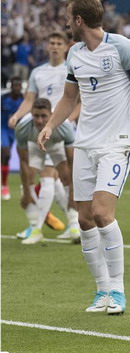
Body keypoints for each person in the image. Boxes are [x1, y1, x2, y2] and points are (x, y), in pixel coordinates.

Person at [37, 0, 130, 315]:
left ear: (78, 20)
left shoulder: (123, 47)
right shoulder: (75, 54)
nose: (66, 22)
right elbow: (69, 97)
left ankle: (118, 290)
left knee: (103, 213)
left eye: (68, 17)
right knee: (84, 218)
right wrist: (51, 125)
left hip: (115, 145)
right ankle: (101, 290)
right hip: (84, 145)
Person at [9, 31, 77, 239]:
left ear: (66, 47)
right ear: (47, 46)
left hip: (61, 129)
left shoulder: (72, 69)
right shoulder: (37, 71)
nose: (55, 46)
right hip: (39, 127)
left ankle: (37, 228)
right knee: (50, 180)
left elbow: (79, 100)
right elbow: (30, 100)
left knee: (50, 177)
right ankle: (73, 225)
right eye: (52, 43)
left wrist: (68, 121)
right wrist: (18, 115)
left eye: (59, 43)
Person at [15, 98, 78, 244]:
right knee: (28, 181)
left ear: (51, 114)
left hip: (56, 145)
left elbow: (72, 161)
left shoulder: (65, 127)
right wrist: (25, 191)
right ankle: (35, 229)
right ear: (31, 114)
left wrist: (74, 193)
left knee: (66, 177)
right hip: (35, 146)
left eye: (43, 116)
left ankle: (74, 226)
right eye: (36, 116)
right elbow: (23, 162)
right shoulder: (22, 128)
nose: (39, 120)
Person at [1, 77, 23, 200]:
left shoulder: (23, 99)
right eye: (15, 85)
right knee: (6, 155)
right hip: (3, 129)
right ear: (11, 86)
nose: (17, 87)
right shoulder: (4, 99)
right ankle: (4, 185)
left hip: (19, 130)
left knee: (25, 157)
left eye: (19, 85)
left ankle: (26, 186)